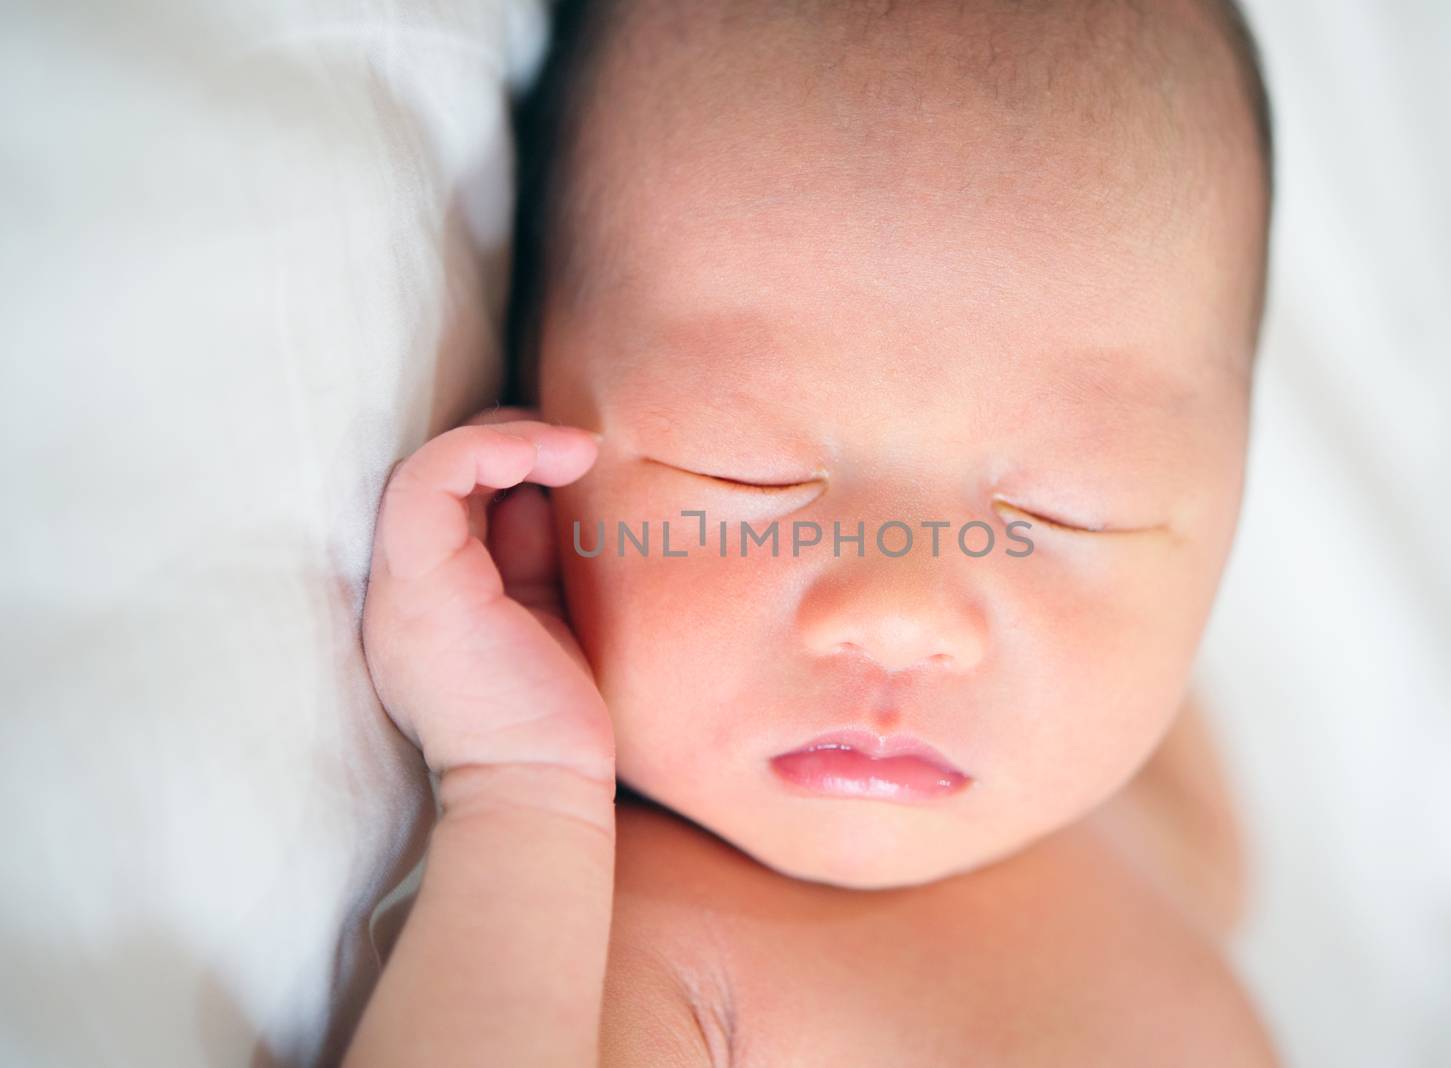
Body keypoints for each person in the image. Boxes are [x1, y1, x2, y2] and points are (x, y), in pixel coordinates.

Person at [346, 0, 1278, 1062]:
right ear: (537, 430)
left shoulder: (1152, 827)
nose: (899, 617)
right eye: (747, 467)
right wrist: (517, 787)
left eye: (1072, 507)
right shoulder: (615, 947)